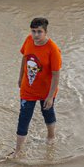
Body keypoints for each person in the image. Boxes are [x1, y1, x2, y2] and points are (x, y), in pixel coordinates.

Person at [11, 17, 62, 158]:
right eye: (33, 31)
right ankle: (18, 150)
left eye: (39, 32)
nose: (36, 35)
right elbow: (24, 58)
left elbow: (56, 75)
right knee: (23, 117)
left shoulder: (53, 50)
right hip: (28, 89)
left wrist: (50, 96)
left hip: (46, 91)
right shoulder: (28, 40)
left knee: (48, 113)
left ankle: (51, 137)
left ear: (45, 32)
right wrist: (20, 77)